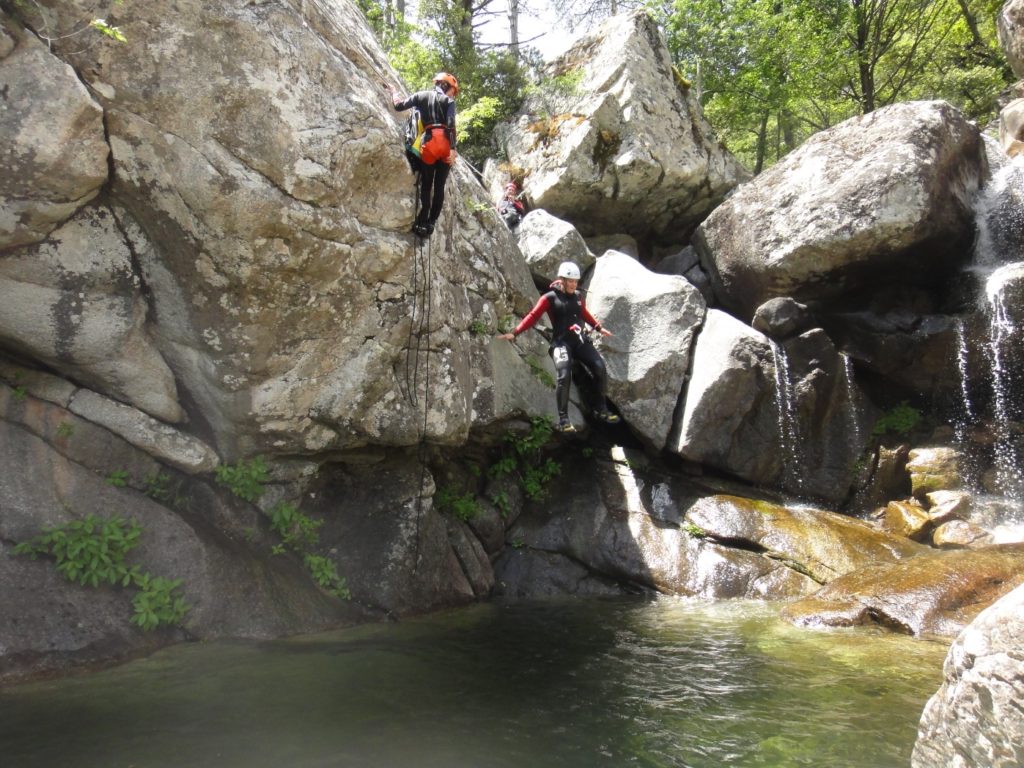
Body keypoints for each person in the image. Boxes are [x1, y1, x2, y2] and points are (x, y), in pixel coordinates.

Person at [497, 261, 621, 433]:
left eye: (575, 281)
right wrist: (515, 332)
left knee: (599, 367)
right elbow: (533, 316)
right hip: (561, 343)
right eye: (569, 281)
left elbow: (583, 313)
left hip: (579, 341)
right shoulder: (549, 298)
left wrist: (599, 328)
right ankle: (564, 419)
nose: (573, 284)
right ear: (562, 280)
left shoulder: (578, 297)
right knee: (564, 374)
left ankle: (601, 409)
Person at [391, 73, 459, 238]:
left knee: (427, 184)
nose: (452, 94)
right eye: (452, 91)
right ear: (446, 86)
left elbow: (399, 106)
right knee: (439, 186)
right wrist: (453, 148)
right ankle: (431, 223)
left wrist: (393, 92)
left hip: (428, 142)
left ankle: (421, 220)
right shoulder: (449, 101)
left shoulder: (420, 96)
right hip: (444, 144)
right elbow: (450, 123)